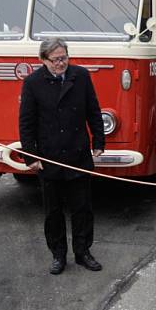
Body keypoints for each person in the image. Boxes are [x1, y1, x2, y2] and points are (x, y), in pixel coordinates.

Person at [19, 38, 105, 275]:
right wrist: (30, 156)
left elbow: (93, 110)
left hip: (78, 153)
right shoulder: (33, 83)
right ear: (43, 60)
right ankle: (58, 255)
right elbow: (26, 123)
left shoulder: (81, 76)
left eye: (64, 58)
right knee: (53, 212)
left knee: (83, 209)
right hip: (49, 157)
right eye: (56, 60)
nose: (61, 63)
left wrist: (98, 141)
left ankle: (83, 252)